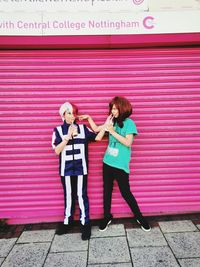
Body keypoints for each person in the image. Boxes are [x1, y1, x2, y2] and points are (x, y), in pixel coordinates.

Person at [80, 96, 151, 232]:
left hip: (120, 165)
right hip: (107, 163)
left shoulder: (129, 123)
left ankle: (139, 217)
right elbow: (95, 129)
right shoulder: (111, 121)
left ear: (122, 108)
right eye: (111, 108)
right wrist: (89, 118)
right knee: (107, 191)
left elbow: (128, 142)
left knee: (126, 192)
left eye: (115, 108)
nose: (112, 111)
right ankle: (107, 216)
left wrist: (112, 131)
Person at [52, 101, 104, 240]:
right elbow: (57, 150)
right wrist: (67, 137)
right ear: (63, 114)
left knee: (81, 196)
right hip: (66, 169)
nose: (72, 116)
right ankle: (67, 222)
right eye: (69, 113)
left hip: (81, 168)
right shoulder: (57, 130)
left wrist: (106, 126)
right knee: (69, 195)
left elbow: (98, 137)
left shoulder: (83, 128)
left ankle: (85, 224)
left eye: (74, 113)